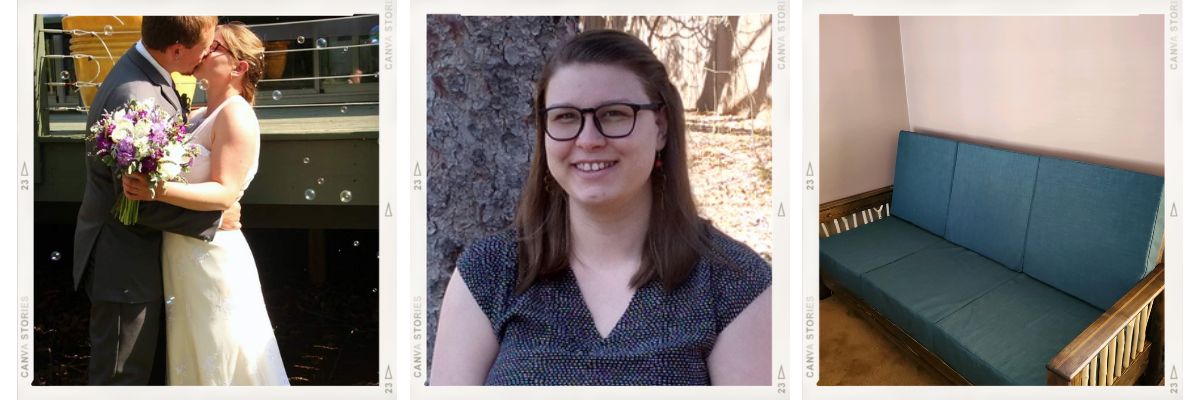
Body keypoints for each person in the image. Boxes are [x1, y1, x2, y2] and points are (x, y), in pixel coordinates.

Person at [429, 29, 772, 386]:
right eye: (565, 117)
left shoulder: (736, 284)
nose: (588, 140)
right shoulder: (489, 272)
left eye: (613, 114)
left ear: (661, 128)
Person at [73, 16, 244, 386]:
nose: (208, 52)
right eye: (206, 45)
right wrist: (215, 220)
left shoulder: (148, 73)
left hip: (144, 259)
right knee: (122, 377)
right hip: (124, 265)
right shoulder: (135, 95)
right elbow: (136, 198)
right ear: (177, 50)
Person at [122, 22, 289, 386]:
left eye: (215, 48)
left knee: (221, 356)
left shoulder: (236, 114)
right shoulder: (197, 113)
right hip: (182, 254)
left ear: (238, 67)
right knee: (191, 357)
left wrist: (156, 190)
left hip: (212, 257)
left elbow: (225, 193)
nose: (203, 50)